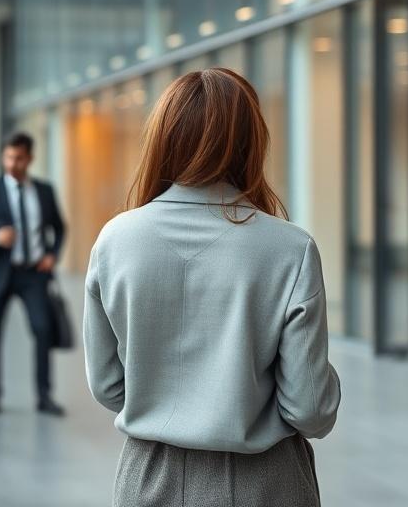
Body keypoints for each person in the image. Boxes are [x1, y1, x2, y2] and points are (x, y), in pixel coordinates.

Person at [84, 68, 341, 507]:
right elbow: (309, 409)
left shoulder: (115, 239)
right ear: (250, 141)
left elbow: (108, 387)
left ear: (163, 138)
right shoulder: (290, 248)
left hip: (147, 478)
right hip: (264, 481)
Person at [0, 132, 67, 416]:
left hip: (34, 274)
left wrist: (52, 255)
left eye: (18, 158)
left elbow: (59, 227)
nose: (12, 163)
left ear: (30, 159)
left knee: (43, 330)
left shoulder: (45, 191)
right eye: (8, 157)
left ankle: (44, 396)